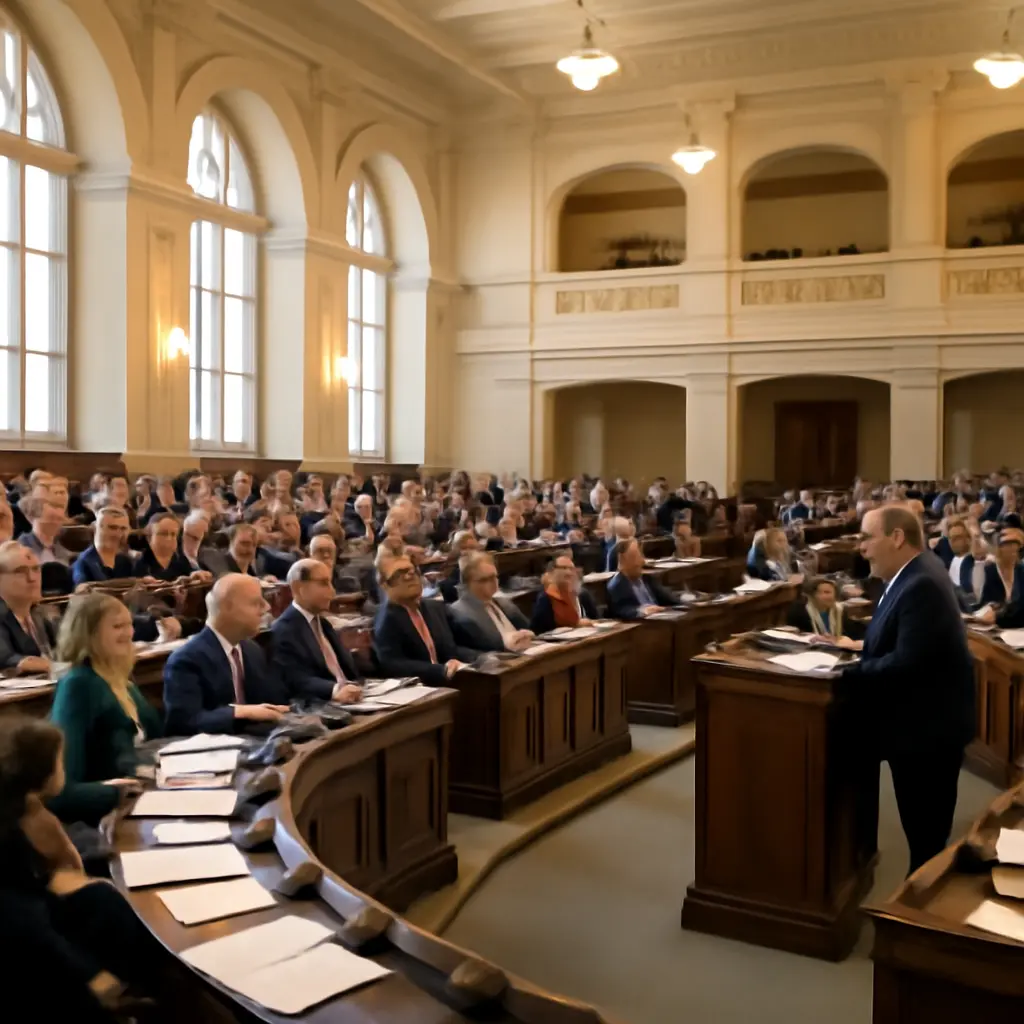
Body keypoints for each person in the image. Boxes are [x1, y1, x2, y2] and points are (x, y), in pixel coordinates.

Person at [0, 716, 170, 1021]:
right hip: (33, 947)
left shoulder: (25, 811)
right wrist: (91, 975)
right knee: (111, 903)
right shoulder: (17, 829)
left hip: (39, 920)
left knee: (105, 898)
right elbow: (24, 920)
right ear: (38, 774)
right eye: (60, 761)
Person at [846, 505, 975, 875]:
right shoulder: (916, 572)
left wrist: (850, 671)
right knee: (926, 836)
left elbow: (909, 662)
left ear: (897, 538)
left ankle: (919, 922)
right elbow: (907, 639)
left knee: (927, 838)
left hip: (926, 733)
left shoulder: (920, 584)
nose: (862, 548)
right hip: (926, 726)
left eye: (867, 538)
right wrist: (861, 648)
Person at [47, 595, 158, 827]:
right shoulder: (78, 684)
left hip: (144, 797)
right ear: (88, 634)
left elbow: (156, 736)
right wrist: (118, 792)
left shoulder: (121, 681)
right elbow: (61, 791)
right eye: (117, 626)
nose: (129, 633)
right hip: (105, 817)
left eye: (129, 624)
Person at [162, 574, 290, 735]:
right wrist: (240, 712)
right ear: (227, 607)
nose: (266, 608)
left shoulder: (252, 649)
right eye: (256, 602)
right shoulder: (186, 659)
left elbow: (272, 699)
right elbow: (184, 723)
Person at [373, 555, 481, 684]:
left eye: (413, 571)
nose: (409, 576)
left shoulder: (434, 607)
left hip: (454, 680)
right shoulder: (386, 619)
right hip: (422, 688)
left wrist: (478, 658)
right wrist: (440, 670)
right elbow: (392, 665)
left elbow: (452, 648)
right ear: (384, 585)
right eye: (399, 575)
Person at [270, 560, 362, 703]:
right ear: (298, 587)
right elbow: (295, 679)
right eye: (324, 583)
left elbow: (345, 669)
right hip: (322, 705)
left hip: (352, 697)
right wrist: (334, 689)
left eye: (331, 583)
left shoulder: (323, 624)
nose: (332, 591)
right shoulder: (284, 630)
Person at [450, 552, 534, 652]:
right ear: (467, 583)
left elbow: (529, 628)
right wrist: (506, 645)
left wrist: (527, 634)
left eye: (495, 577)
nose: (494, 583)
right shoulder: (459, 612)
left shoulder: (503, 602)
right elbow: (481, 649)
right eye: (485, 579)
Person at [0, 542, 56, 674]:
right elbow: (6, 659)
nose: (32, 578)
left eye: (36, 569)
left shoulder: (42, 613)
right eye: (20, 572)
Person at [607, 538, 679, 619]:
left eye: (641, 556)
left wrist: (687, 600)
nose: (642, 561)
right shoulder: (617, 585)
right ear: (622, 560)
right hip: (642, 625)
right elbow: (620, 610)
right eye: (636, 557)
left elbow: (668, 598)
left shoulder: (647, 578)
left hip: (663, 619)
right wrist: (643, 611)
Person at [529, 553, 600, 633]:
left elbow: (597, 620)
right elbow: (538, 630)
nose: (569, 573)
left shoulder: (583, 595)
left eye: (571, 569)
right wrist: (575, 624)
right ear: (553, 572)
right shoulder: (546, 598)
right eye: (564, 568)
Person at [785, 577, 865, 646]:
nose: (829, 596)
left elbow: (851, 633)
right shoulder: (799, 612)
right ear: (812, 595)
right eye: (824, 593)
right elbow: (795, 636)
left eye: (830, 593)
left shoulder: (840, 611)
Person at [70, 507, 135, 587]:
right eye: (112, 528)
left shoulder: (126, 562)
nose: (118, 534)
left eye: (123, 529)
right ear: (95, 528)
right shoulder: (83, 563)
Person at [134, 512, 204, 581]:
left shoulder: (181, 560)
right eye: (163, 534)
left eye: (173, 534)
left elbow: (190, 574)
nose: (169, 538)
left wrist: (196, 575)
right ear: (149, 537)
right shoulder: (140, 563)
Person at [976, 528, 1024, 627]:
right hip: (995, 625)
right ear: (999, 549)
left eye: (1015, 547)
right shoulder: (991, 570)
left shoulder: (1021, 570)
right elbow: (986, 601)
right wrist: (991, 608)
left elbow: (1021, 606)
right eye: (1008, 546)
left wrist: (998, 615)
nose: (1012, 551)